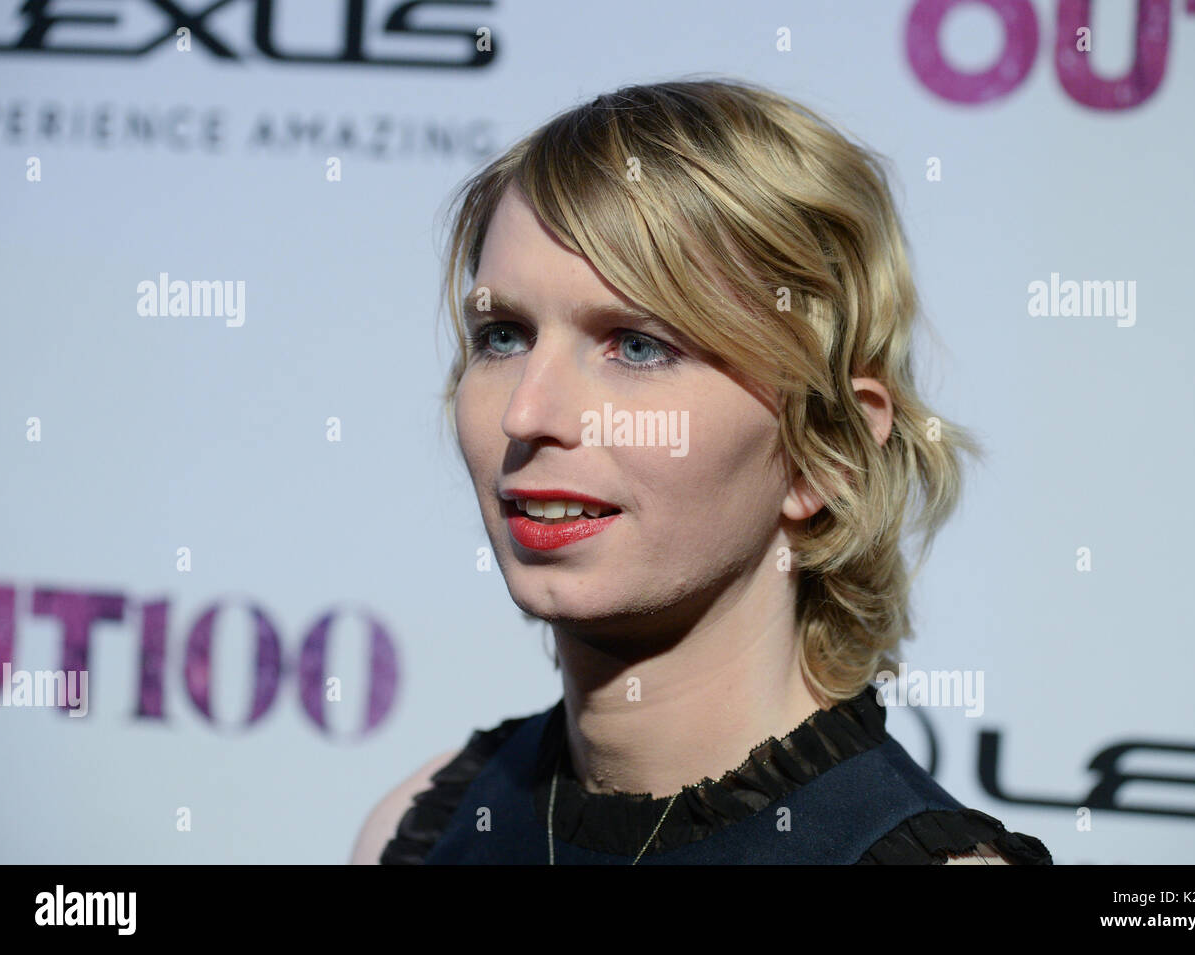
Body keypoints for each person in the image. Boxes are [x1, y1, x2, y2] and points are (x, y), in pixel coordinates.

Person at [352, 76, 1052, 865]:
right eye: (505, 336)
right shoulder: (416, 832)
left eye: (639, 346)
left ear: (828, 446)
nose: (527, 413)